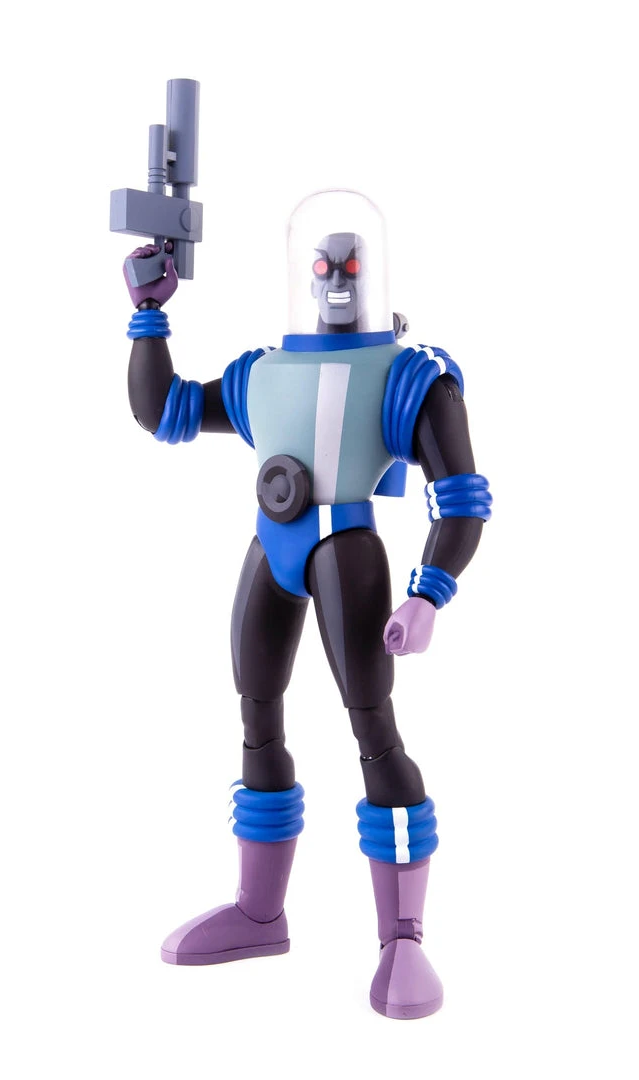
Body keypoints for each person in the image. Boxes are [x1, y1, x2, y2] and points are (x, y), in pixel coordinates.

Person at [123, 188, 491, 1019]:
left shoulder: (407, 375)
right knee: (256, 714)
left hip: (343, 550)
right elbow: (165, 410)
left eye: (349, 267)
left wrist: (428, 593)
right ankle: (260, 912)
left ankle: (402, 936)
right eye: (322, 267)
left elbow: (461, 497)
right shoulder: (263, 372)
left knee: (373, 727)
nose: (334, 281)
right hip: (272, 545)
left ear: (372, 274)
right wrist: (148, 314)